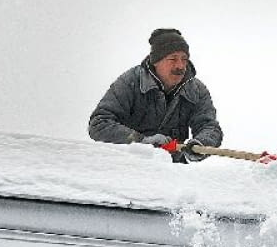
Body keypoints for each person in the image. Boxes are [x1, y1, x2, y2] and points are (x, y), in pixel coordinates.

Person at [88, 28, 222, 163]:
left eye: (184, 59)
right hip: (128, 168)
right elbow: (99, 124)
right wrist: (140, 141)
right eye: (173, 59)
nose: (180, 65)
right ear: (156, 61)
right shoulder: (130, 82)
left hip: (173, 172)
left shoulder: (197, 90)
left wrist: (200, 144)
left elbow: (209, 126)